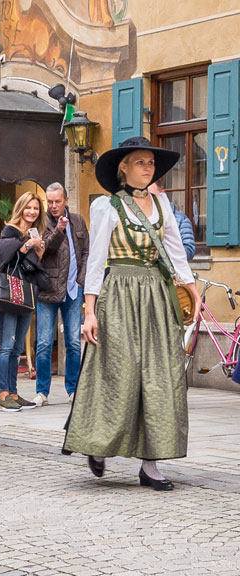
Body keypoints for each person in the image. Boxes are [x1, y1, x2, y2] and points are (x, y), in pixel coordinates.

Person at [64, 136, 198, 491]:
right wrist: (89, 312)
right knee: (117, 372)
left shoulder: (161, 204)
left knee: (158, 377)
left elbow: (175, 253)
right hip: (119, 292)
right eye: (141, 162)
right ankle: (97, 443)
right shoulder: (107, 207)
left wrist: (193, 292)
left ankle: (150, 466)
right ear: (123, 167)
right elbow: (95, 262)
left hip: (155, 295)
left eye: (151, 163)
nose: (148, 167)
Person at [0, 193, 51, 412]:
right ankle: (2, 394)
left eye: (36, 208)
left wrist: (39, 252)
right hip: (8, 294)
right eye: (28, 207)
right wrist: (27, 246)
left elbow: (29, 267)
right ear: (21, 209)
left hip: (25, 295)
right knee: (6, 345)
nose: (32, 212)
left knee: (17, 347)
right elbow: (3, 258)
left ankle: (14, 393)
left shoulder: (32, 235)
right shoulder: (10, 232)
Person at [34, 182, 89, 406]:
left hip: (74, 289)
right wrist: (57, 231)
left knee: (74, 342)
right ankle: (42, 391)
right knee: (45, 343)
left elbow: (86, 251)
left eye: (58, 201)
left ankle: (73, 389)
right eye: (50, 202)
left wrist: (82, 280)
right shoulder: (41, 222)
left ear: (66, 200)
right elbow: (44, 250)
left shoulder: (78, 220)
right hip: (48, 289)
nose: (54, 206)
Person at [149, 180, 195, 260]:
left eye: (151, 195)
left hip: (168, 271)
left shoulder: (181, 219)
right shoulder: (136, 219)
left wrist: (157, 252)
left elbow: (189, 251)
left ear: (162, 194)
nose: (147, 200)